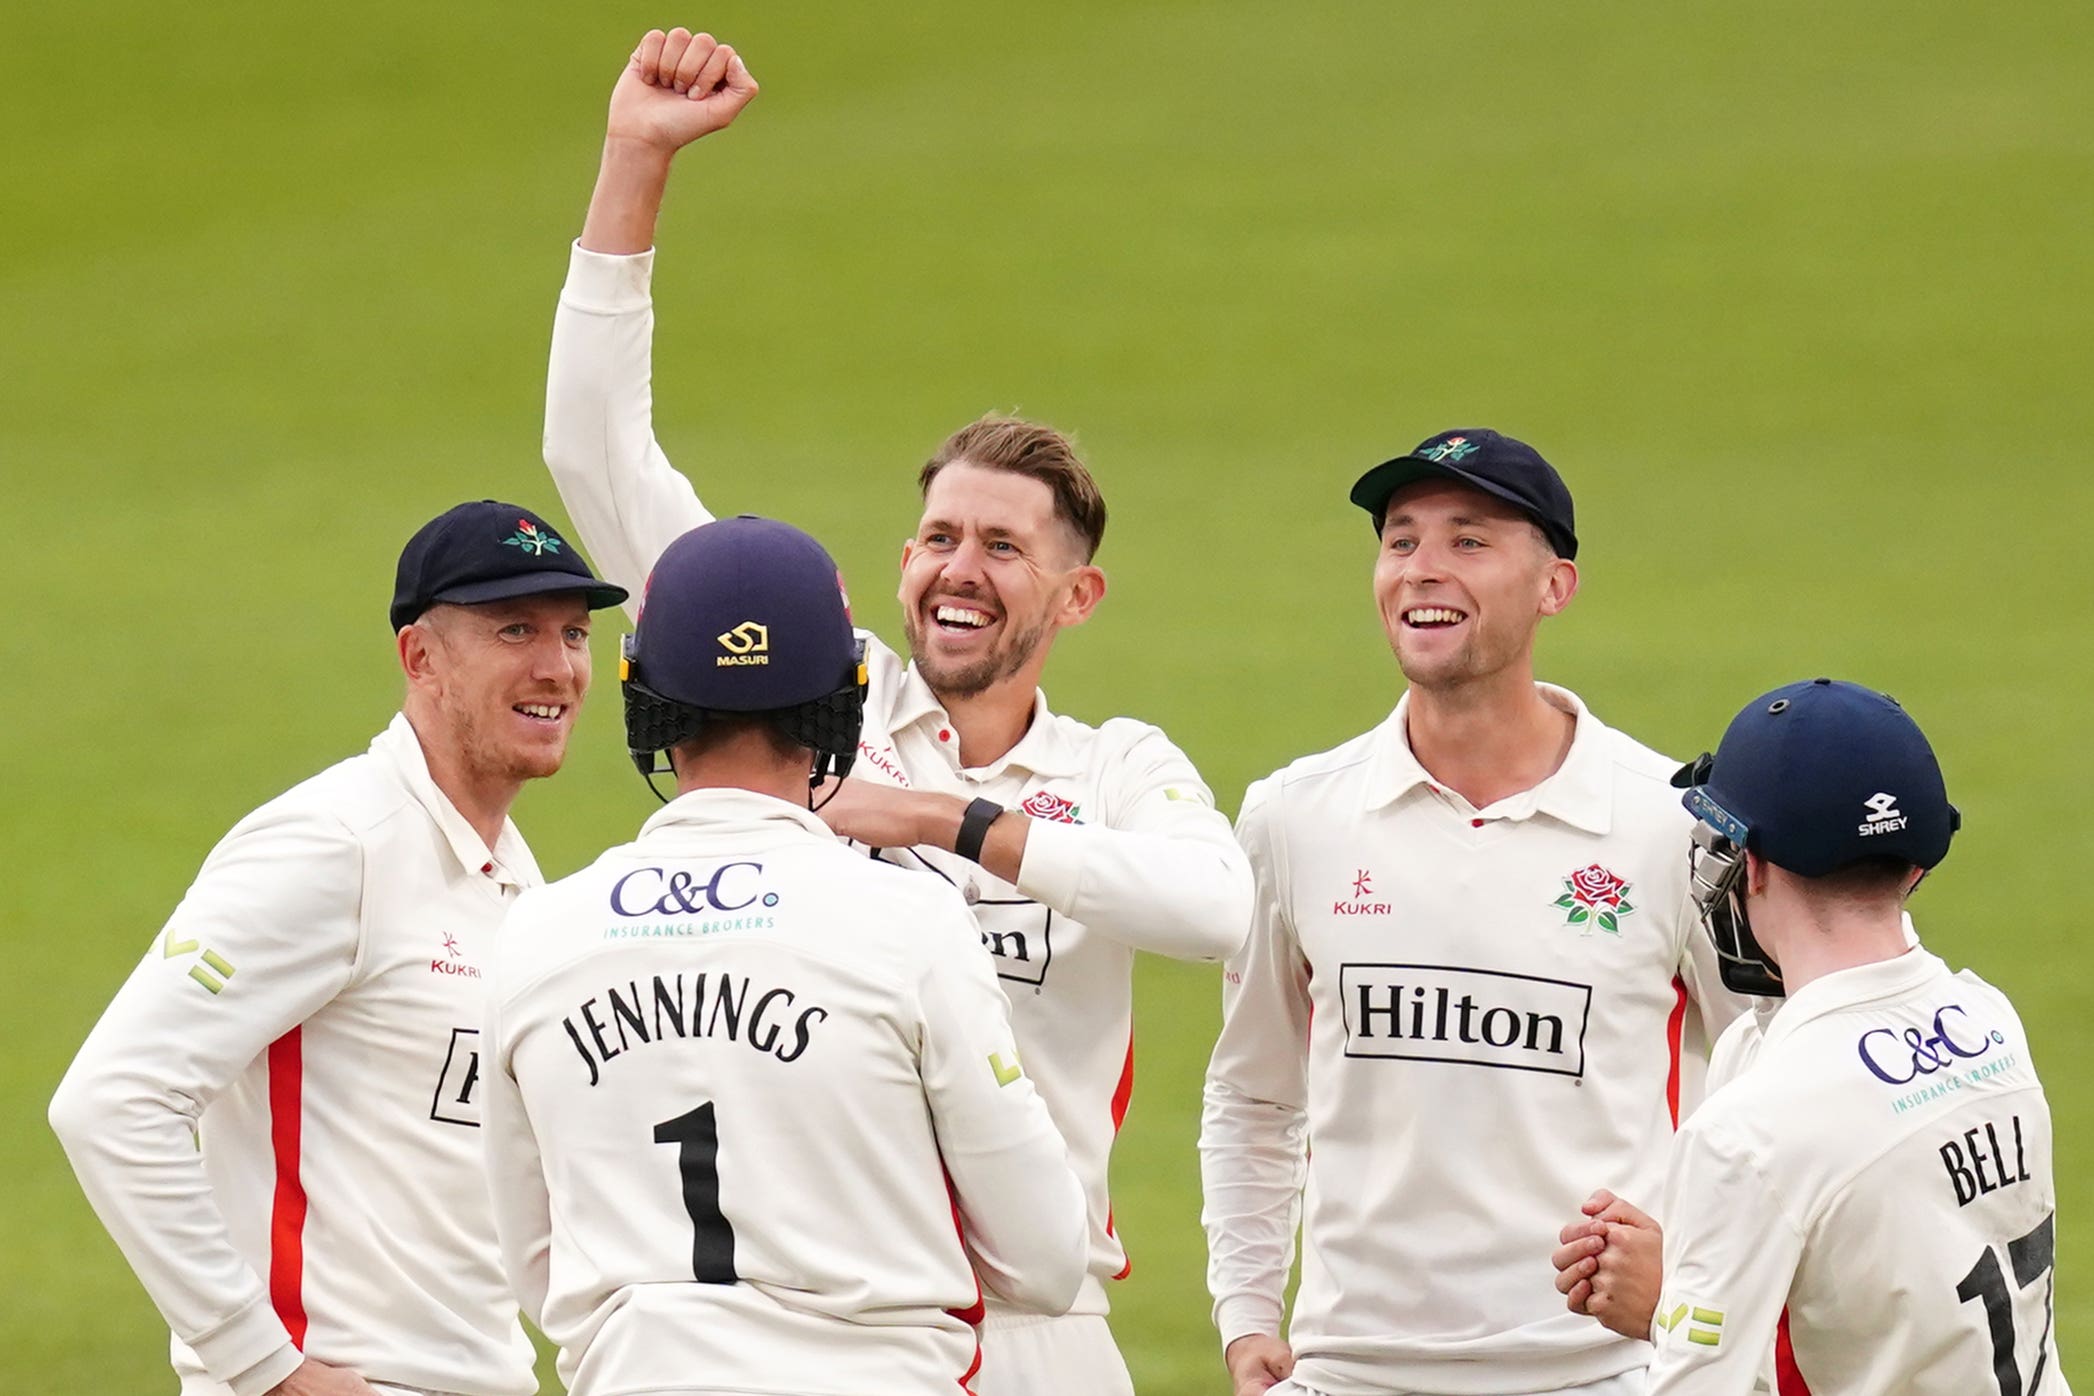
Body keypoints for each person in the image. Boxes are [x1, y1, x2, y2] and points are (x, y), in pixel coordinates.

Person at [540, 27, 1255, 1392]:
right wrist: (635, 161)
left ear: (1076, 594)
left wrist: (945, 819)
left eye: (1000, 546)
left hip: (1042, 1320)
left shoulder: (1115, 770)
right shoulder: (820, 691)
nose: (957, 572)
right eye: (936, 538)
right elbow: (594, 452)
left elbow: (1213, 911)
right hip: (831, 1319)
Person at [482, 515, 1090, 1396]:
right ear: (844, 702)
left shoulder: (535, 934)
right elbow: (1044, 1258)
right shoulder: (913, 923)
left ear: (645, 698)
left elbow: (537, 1265)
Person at [1201, 430, 1751, 1396]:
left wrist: (1692, 1281)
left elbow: (1774, 1085)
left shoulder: (1673, 824)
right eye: (1401, 540)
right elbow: (1255, 1092)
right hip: (1350, 1370)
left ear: (1555, 586)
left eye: (1468, 540)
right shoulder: (1295, 815)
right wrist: (1247, 1313)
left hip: (1602, 1374)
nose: (1422, 569)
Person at [49, 501, 626, 1396]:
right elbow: (110, 1103)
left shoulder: (511, 876)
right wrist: (266, 1368)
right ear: (421, 658)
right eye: (516, 630)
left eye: (574, 635)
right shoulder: (336, 845)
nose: (557, 668)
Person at [1550, 679, 2067, 1395]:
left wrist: (1673, 1307)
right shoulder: (1990, 1022)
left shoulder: (1751, 1130)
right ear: (1914, 866)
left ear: (1750, 865)